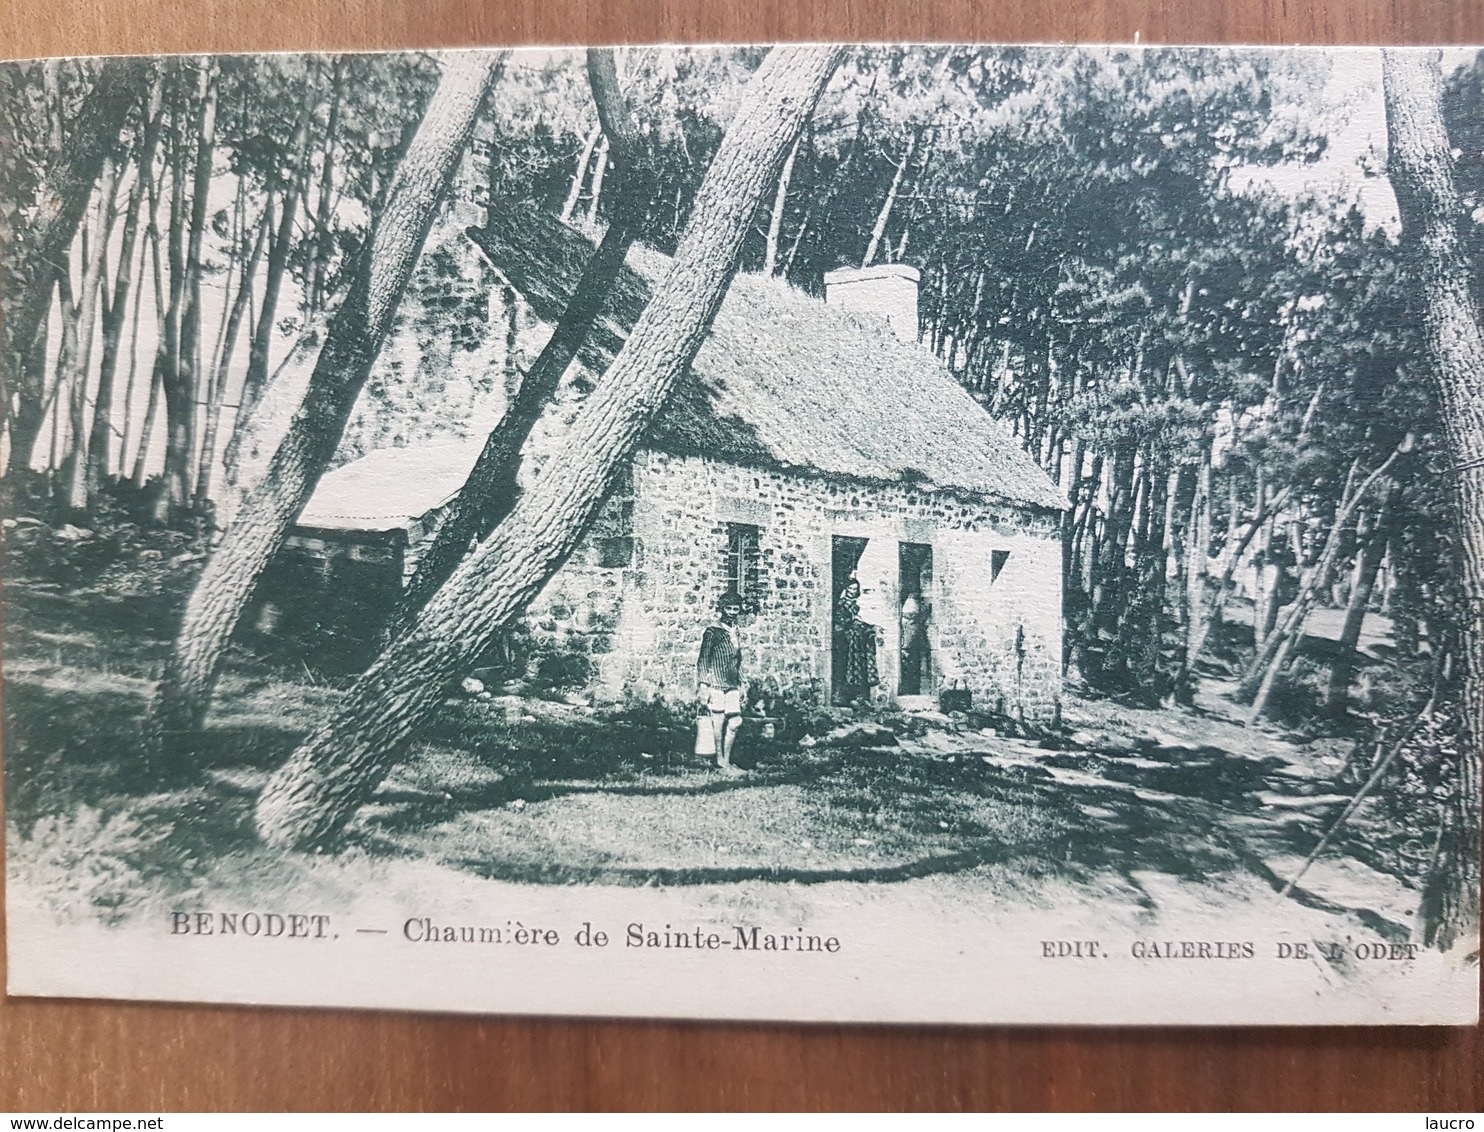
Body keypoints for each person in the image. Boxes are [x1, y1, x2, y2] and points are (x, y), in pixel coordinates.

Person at [697, 589, 746, 775]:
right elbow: (703, 659)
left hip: (732, 684)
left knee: (735, 721)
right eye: (729, 609)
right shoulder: (712, 632)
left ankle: (727, 759)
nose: (732, 612)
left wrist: (742, 682)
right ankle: (720, 762)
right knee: (718, 722)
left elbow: (738, 659)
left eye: (736, 609)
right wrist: (703, 685)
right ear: (721, 609)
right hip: (715, 683)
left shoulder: (736, 631)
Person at [834, 575, 880, 706]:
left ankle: (860, 696)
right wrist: (852, 620)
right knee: (848, 668)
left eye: (855, 589)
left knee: (860, 667)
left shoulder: (860, 603)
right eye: (851, 588)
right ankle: (844, 696)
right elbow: (840, 623)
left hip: (860, 641)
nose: (853, 591)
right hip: (849, 641)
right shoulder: (842, 604)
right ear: (847, 589)